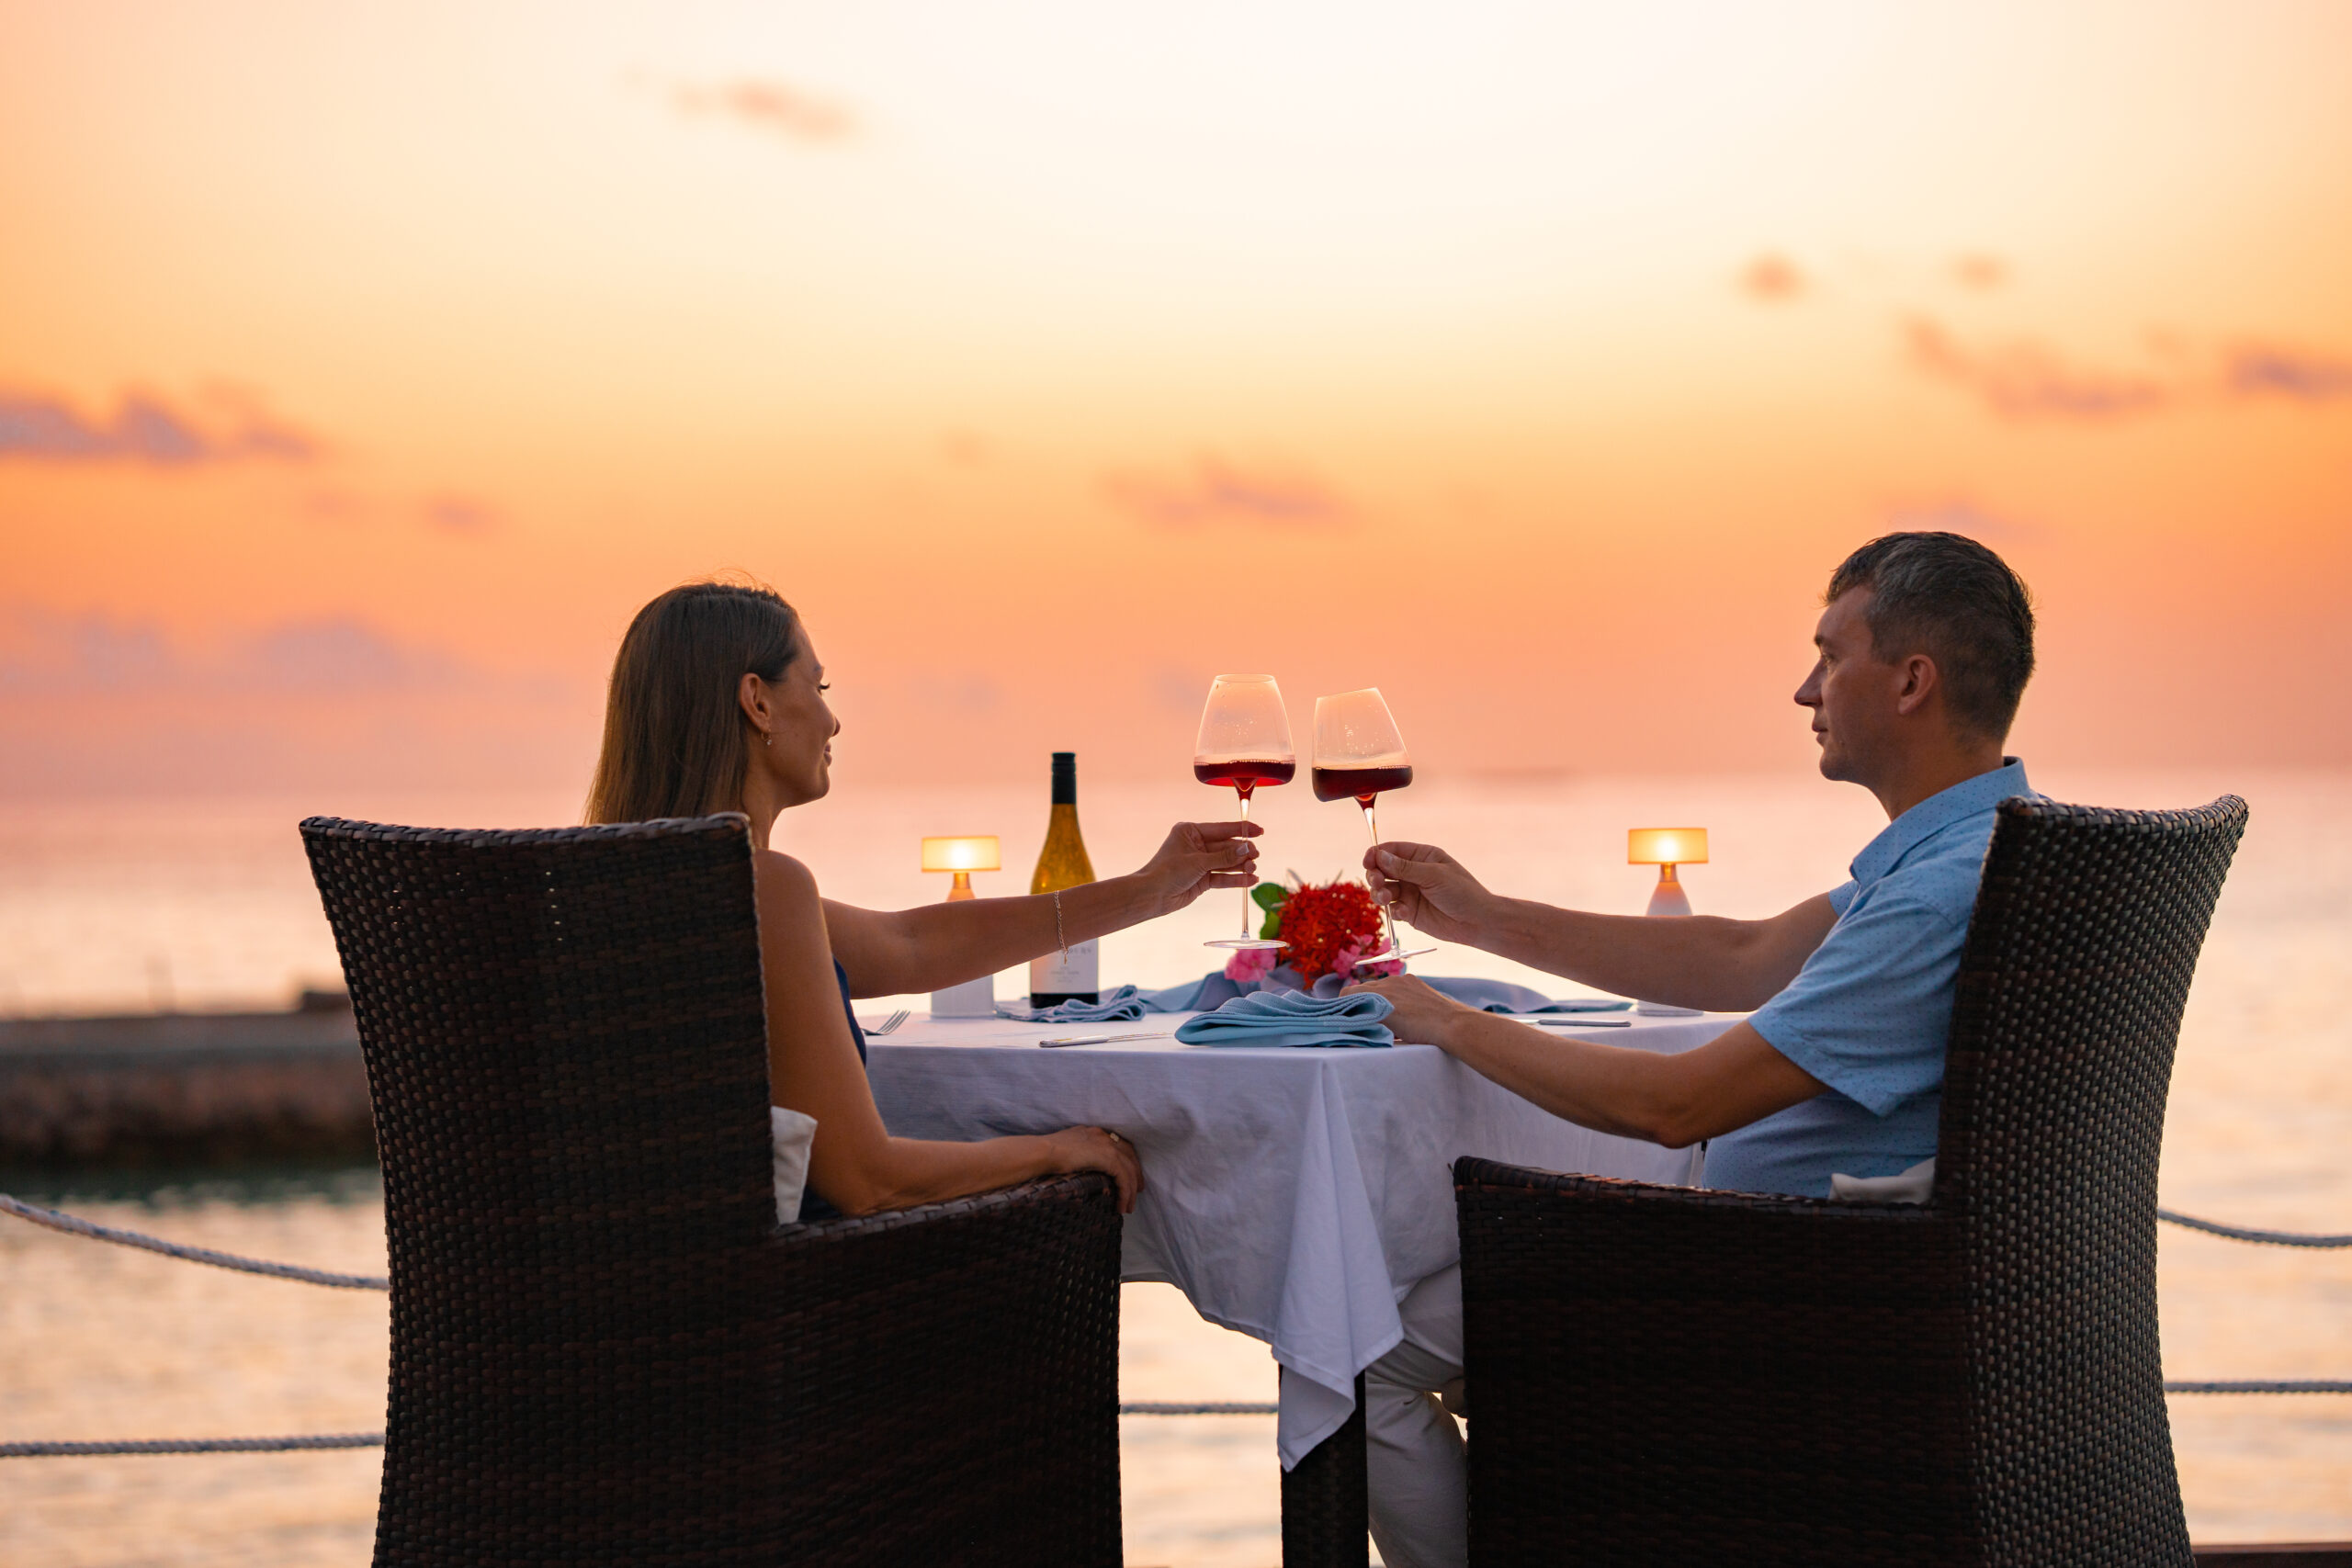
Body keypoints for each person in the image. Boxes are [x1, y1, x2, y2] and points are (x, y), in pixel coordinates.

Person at [1344, 531, 2040, 1568]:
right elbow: (1743, 955)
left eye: (1829, 655)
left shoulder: (1937, 895)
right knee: (1461, 1310)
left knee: (1365, 1356)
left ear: (1910, 681)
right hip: (1852, 1277)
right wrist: (1486, 921)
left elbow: (1674, 1106)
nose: (1805, 690)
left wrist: (1444, 1019)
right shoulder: (1992, 844)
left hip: (1782, 1299)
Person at [584, 579, 1262, 1219]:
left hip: (646, 1282)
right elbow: (867, 1181)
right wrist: (1057, 1152)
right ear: (757, 702)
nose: (833, 720)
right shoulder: (766, 887)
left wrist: (1145, 892)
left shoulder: (618, 894)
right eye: (818, 686)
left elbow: (911, 945)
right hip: (797, 1287)